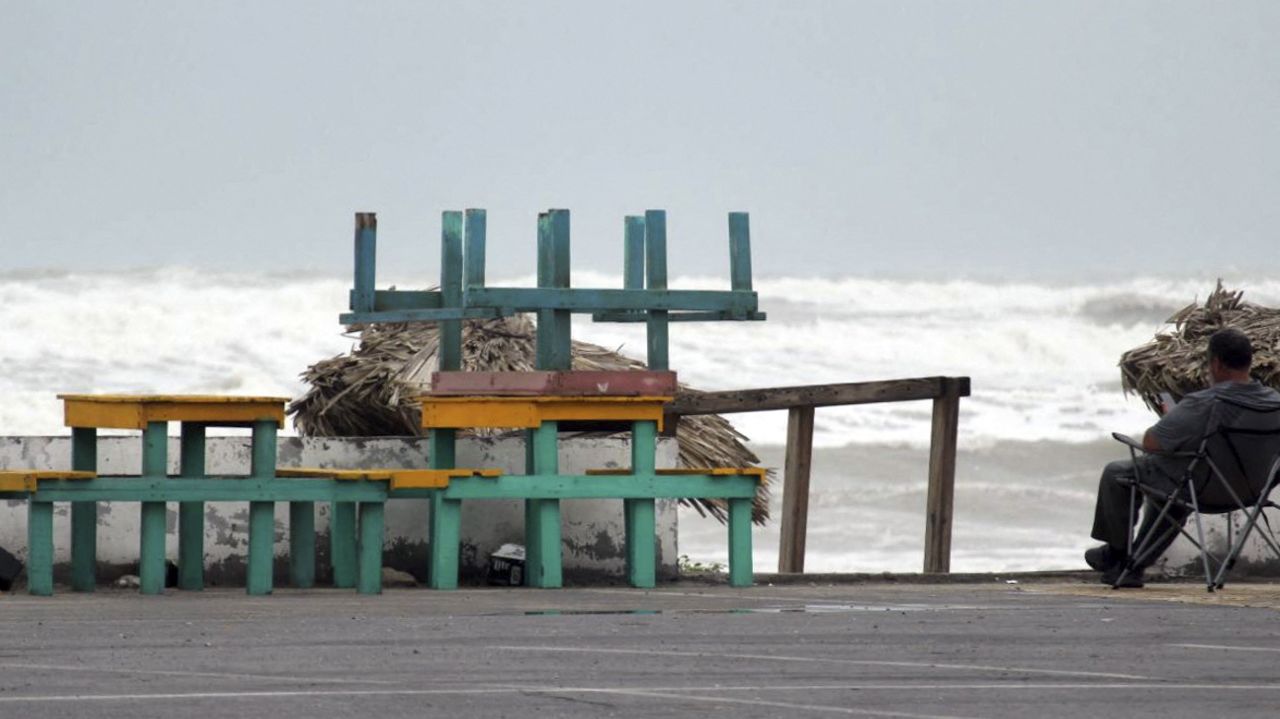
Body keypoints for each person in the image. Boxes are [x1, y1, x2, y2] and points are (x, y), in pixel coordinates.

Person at [1086, 328, 1280, 587]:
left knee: (1118, 473)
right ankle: (1132, 566)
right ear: (1249, 361)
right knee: (1174, 485)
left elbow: (1152, 443)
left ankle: (1118, 554)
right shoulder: (1275, 402)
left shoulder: (1206, 402)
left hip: (1201, 489)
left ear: (1216, 363)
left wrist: (1172, 419)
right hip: (1251, 492)